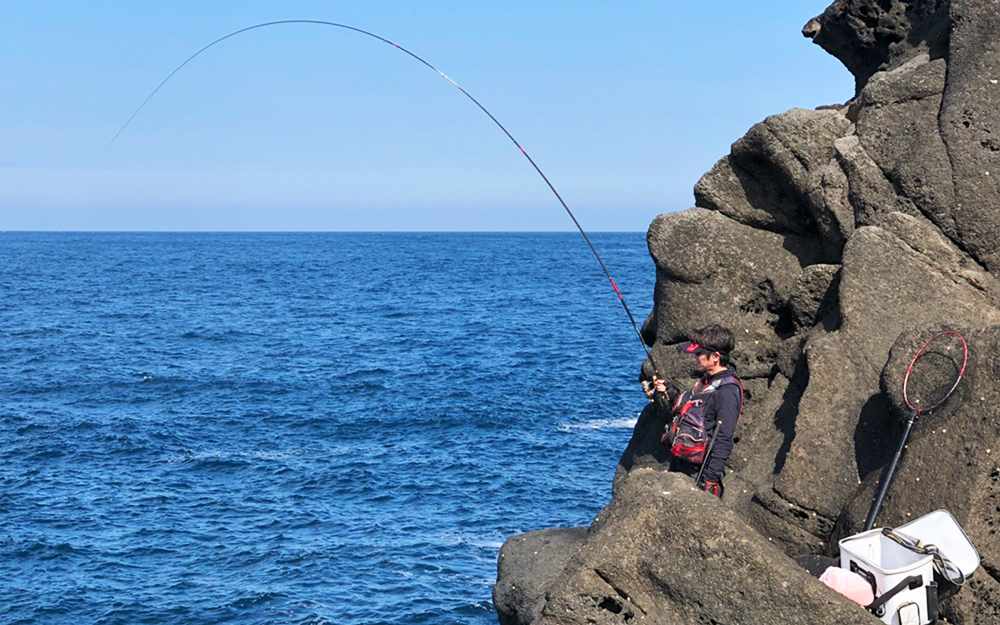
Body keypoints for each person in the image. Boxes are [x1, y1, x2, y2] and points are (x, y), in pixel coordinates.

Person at [642, 324, 743, 499]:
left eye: (699, 354)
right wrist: (668, 391)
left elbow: (724, 439)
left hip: (699, 473)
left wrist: (709, 480)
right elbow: (688, 408)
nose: (695, 358)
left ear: (716, 357)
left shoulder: (727, 391)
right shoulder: (704, 382)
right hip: (680, 464)